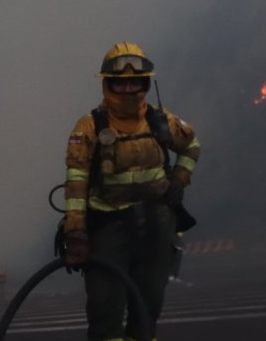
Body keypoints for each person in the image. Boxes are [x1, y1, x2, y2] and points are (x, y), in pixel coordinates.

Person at [62, 42, 201, 341]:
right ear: (108, 84)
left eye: (134, 82)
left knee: (148, 306)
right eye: (121, 84)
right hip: (108, 228)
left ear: (146, 82)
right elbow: (76, 183)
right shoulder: (89, 128)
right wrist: (76, 234)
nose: (128, 90)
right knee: (104, 309)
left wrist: (180, 177)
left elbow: (191, 146)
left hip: (156, 224)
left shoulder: (160, 120)